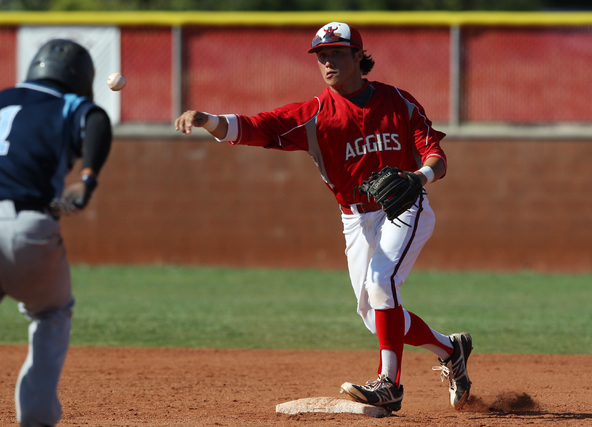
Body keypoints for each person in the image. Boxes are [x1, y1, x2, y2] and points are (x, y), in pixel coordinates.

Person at [175, 22, 472, 412]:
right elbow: (256, 127)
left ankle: (389, 385)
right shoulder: (314, 114)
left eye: (335, 53)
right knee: (375, 314)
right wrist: (207, 119)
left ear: (357, 56)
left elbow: (436, 156)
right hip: (355, 220)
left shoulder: (398, 101)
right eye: (321, 55)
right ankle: (451, 350)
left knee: (382, 282)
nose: (327, 61)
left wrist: (418, 177)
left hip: (404, 206)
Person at [0, 39, 112, 426]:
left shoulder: (4, 97)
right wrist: (88, 179)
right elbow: (96, 121)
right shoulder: (67, 103)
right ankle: (36, 418)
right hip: (27, 227)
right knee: (51, 311)